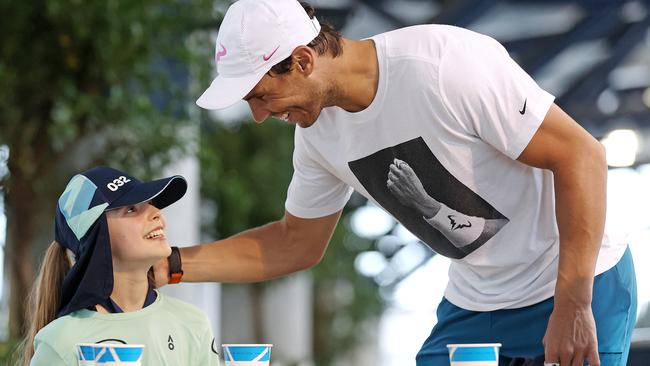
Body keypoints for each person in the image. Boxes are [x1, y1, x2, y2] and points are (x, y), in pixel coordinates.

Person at [155, 0, 637, 365]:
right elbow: (293, 243)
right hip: (477, 300)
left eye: (261, 96)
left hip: (578, 281)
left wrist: (574, 304)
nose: (259, 116)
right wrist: (170, 265)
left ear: (302, 60)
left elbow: (582, 156)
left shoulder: (445, 67)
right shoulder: (317, 136)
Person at [16, 166, 220, 366]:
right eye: (131, 209)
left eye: (151, 203)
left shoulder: (193, 323)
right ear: (97, 235)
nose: (157, 213)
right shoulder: (61, 342)